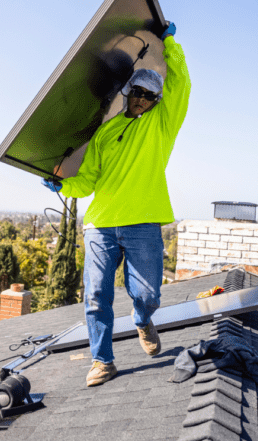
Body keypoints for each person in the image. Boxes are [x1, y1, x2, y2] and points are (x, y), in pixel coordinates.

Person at [41, 21, 190, 387]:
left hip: (143, 222)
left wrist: (171, 44)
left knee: (147, 293)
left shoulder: (161, 124)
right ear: (127, 92)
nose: (141, 98)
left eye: (148, 95)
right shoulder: (106, 132)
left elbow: (181, 85)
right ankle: (102, 361)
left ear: (156, 101)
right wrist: (63, 184)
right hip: (101, 224)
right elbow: (88, 180)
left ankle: (142, 319)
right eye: (136, 91)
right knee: (95, 295)